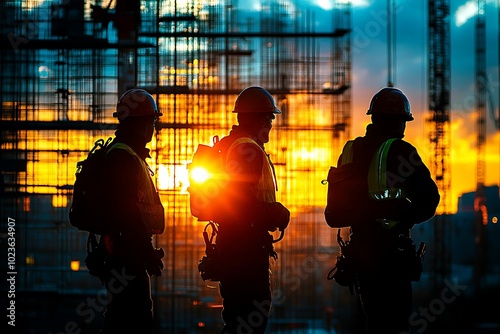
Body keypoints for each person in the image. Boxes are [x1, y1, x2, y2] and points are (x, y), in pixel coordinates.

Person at [328, 87, 440, 333]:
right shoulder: (402, 151)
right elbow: (430, 201)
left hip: (360, 256)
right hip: (391, 257)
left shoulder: (349, 151)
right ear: (401, 121)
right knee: (395, 324)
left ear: (373, 118)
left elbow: (334, 214)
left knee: (374, 322)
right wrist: (403, 215)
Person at [212, 86, 291, 334]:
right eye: (268, 117)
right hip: (243, 251)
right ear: (256, 118)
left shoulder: (234, 145)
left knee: (239, 319)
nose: (270, 123)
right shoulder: (246, 149)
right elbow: (238, 202)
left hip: (236, 247)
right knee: (248, 319)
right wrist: (275, 213)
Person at [98, 88, 165, 333]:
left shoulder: (129, 156)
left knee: (122, 318)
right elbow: (126, 215)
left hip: (127, 254)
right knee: (133, 319)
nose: (153, 128)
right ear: (139, 124)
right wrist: (146, 252)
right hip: (126, 258)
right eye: (151, 121)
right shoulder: (122, 159)